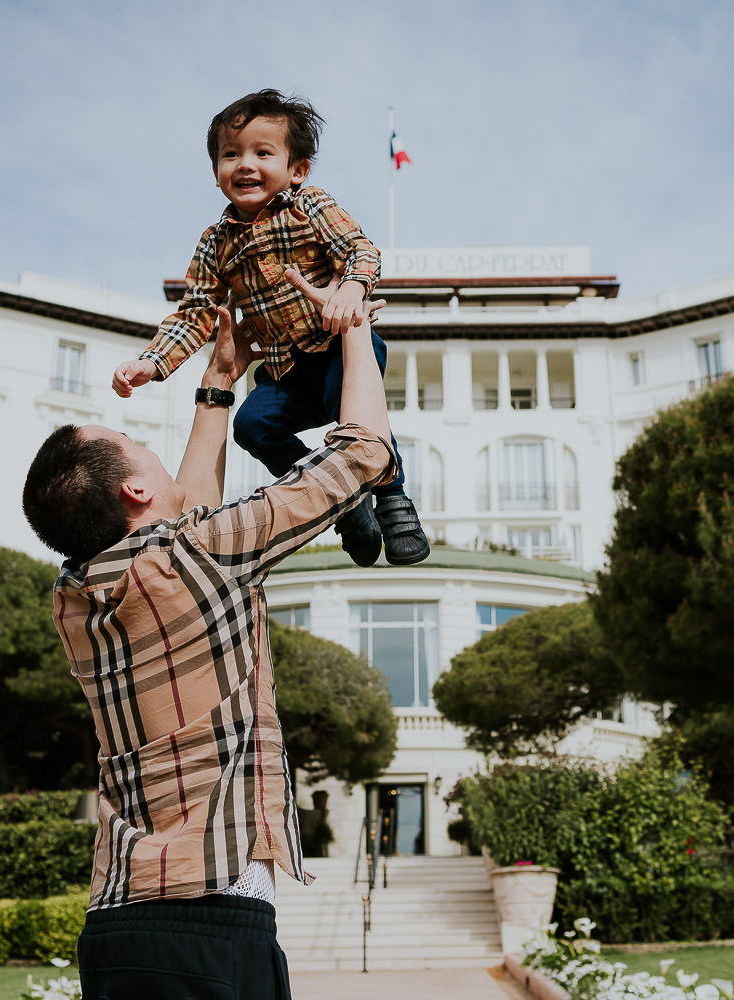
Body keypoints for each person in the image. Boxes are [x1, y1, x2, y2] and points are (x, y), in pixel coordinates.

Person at [22, 278, 396, 999]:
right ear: (134, 490)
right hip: (213, 921)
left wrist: (219, 383)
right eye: (135, 445)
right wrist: (351, 328)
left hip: (116, 925)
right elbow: (362, 454)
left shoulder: (77, 600)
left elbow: (183, 522)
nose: (149, 453)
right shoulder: (196, 557)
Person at [112, 88, 429, 568]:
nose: (245, 164)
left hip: (337, 350)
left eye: (263, 152)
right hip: (282, 371)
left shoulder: (309, 206)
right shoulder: (215, 242)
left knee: (358, 422)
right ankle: (344, 506)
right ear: (216, 172)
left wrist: (351, 289)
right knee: (251, 425)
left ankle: (392, 499)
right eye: (230, 154)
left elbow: (359, 248)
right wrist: (151, 362)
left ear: (296, 169)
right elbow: (196, 308)